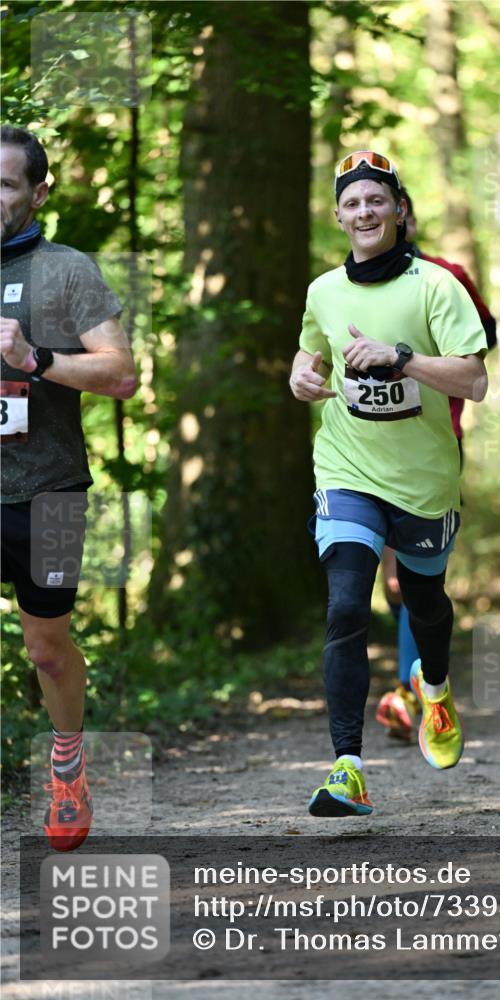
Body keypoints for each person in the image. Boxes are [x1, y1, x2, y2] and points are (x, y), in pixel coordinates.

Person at [290, 150, 488, 816]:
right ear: (339, 216)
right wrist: (301, 375)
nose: (364, 212)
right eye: (352, 203)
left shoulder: (436, 285)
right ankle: (346, 767)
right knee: (347, 606)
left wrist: (399, 357)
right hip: (347, 469)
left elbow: (474, 380)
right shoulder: (323, 290)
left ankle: (433, 688)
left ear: (398, 210)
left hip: (423, 479)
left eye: (376, 200)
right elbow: (309, 348)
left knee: (423, 602)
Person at [1, 126, 137, 850]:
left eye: (4, 184)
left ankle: (66, 762)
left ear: (38, 191)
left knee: (48, 649)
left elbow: (121, 374)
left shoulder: (67, 271)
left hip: (49, 490)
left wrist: (34, 357)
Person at [376, 187, 497, 743]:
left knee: (412, 575)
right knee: (390, 578)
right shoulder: (346, 283)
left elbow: (483, 341)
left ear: (407, 216)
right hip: (367, 447)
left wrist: (414, 353)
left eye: (390, 206)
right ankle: (412, 683)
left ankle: (412, 689)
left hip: (433, 439)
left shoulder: (447, 275)